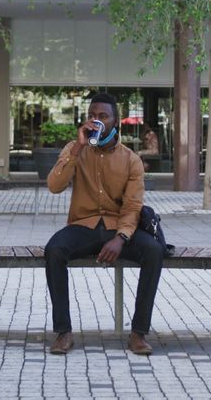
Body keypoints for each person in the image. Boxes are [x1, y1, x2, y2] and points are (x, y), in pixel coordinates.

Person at [44, 92, 163, 356]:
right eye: (92, 116)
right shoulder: (75, 150)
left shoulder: (131, 159)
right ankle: (63, 332)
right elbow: (54, 186)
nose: (96, 121)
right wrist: (77, 149)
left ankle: (138, 333)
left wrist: (120, 238)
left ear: (115, 121)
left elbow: (133, 206)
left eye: (103, 116)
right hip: (83, 225)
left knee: (154, 251)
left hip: (116, 227)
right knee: (54, 249)